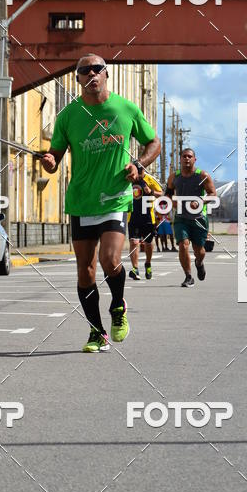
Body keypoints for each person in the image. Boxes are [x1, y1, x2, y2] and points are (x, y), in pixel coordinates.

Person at [41, 54, 160, 353]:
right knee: (86, 271)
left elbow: (153, 143)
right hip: (81, 201)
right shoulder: (68, 116)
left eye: (97, 69)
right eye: (85, 71)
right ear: (78, 78)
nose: (91, 74)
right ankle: (97, 333)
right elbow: (55, 156)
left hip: (114, 198)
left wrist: (139, 165)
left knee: (110, 259)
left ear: (106, 74)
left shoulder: (126, 108)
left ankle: (118, 306)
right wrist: (50, 161)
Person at [165, 148, 217, 287]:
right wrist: (172, 202)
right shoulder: (174, 177)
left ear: (194, 159)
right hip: (181, 218)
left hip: (199, 218)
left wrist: (200, 201)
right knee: (183, 245)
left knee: (199, 251)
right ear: (180, 159)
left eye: (189, 156)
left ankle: (199, 263)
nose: (187, 159)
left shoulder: (202, 175)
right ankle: (188, 276)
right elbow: (167, 195)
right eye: (184, 156)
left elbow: (213, 194)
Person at [128, 167, 163, 280]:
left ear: (144, 171)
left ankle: (148, 263)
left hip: (148, 217)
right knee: (134, 242)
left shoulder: (150, 179)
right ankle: (135, 268)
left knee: (148, 243)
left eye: (140, 172)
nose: (137, 174)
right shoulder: (129, 178)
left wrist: (151, 192)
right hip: (133, 216)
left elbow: (161, 193)